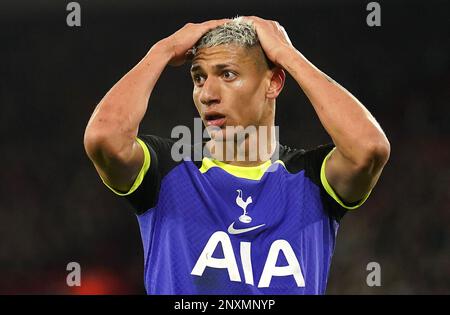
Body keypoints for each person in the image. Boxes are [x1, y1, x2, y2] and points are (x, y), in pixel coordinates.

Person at [83, 16, 390, 294]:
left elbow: (369, 148)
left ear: (273, 82)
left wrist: (288, 55)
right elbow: (103, 137)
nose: (207, 94)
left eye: (227, 74)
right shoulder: (168, 172)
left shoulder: (308, 179)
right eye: (199, 77)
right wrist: (162, 51)